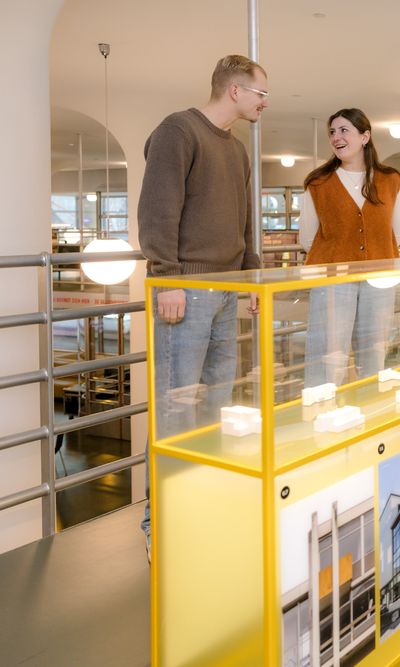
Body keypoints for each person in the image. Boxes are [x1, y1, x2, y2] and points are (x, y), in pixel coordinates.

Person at [137, 54, 268, 561]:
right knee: (175, 410)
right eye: (260, 94)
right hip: (183, 294)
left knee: (215, 408)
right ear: (235, 90)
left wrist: (252, 278)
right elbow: (157, 209)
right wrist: (165, 277)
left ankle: (203, 503)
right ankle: (160, 523)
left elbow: (244, 222)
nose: (264, 104)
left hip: (225, 293)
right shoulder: (177, 131)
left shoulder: (238, 152)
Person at [299, 108, 400, 385]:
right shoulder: (317, 183)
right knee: (327, 354)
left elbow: (397, 233)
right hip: (332, 279)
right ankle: (321, 413)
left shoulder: (391, 180)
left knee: (374, 351)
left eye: (344, 130)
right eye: (332, 132)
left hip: (381, 278)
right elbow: (307, 238)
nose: (336, 137)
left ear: (365, 136)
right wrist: (339, 252)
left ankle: (370, 412)